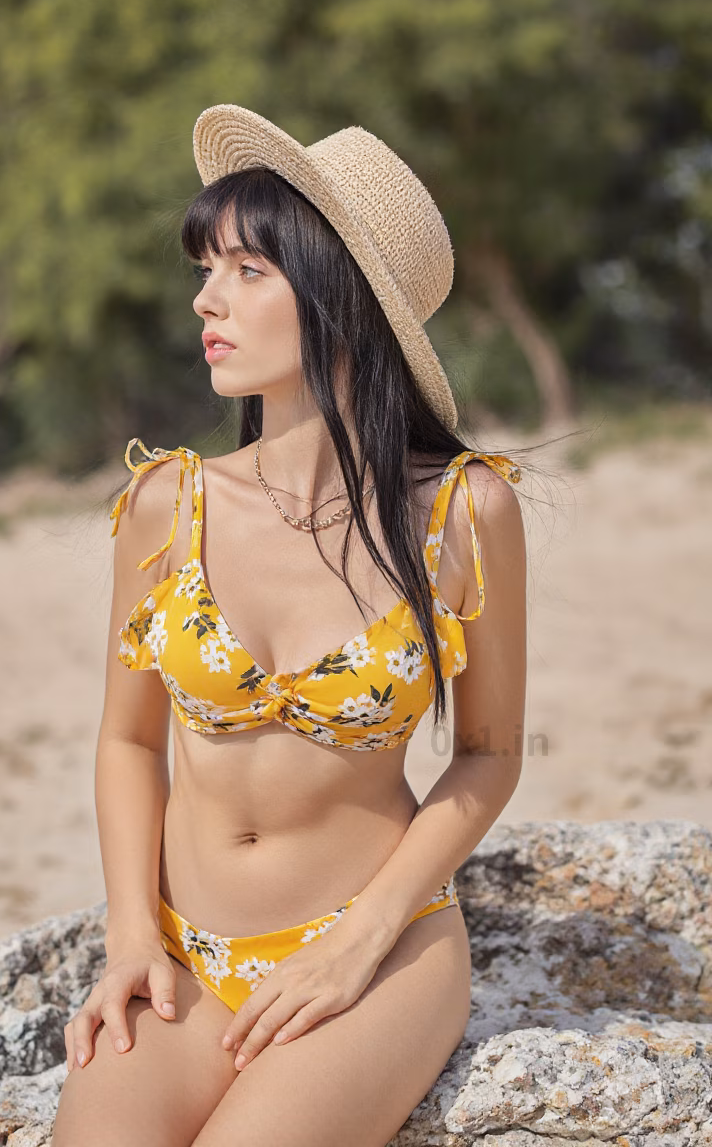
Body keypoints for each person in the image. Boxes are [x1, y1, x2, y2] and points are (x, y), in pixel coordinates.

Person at [52, 104, 528, 1147]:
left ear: (338, 295)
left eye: (246, 270)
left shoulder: (464, 513)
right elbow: (127, 740)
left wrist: (361, 940)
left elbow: (488, 753)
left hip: (376, 952)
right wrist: (131, 932)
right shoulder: (166, 504)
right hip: (185, 958)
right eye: (205, 268)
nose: (204, 299)